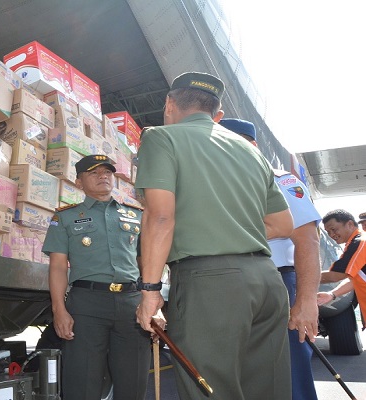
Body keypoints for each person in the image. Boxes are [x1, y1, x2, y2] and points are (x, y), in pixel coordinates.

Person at [134, 71, 294, 399]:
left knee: (210, 388)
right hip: (266, 280)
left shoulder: (161, 138)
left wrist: (150, 291)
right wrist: (228, 228)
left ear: (169, 104)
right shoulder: (252, 152)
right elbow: (282, 225)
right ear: (217, 115)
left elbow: (160, 216)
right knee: (267, 389)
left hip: (211, 284)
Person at [219, 118, 321, 400]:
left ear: (252, 144)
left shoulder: (281, 180)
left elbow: (307, 241)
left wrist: (306, 300)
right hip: (224, 283)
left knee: (289, 371)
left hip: (276, 282)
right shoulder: (212, 184)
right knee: (237, 374)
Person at [42, 154, 153, 400]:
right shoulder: (65, 217)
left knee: (133, 382)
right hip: (87, 304)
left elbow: (147, 263)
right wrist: (59, 310)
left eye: (107, 172)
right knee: (82, 382)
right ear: (79, 182)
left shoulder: (136, 215)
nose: (103, 176)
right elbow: (59, 267)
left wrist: (152, 302)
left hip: (131, 304)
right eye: (94, 172)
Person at [316, 210, 366, 314]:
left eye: (334, 229)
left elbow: (336, 275)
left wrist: (299, 279)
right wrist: (332, 294)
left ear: (350, 224)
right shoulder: (354, 244)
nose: (332, 235)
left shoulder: (360, 243)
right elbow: (354, 279)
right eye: (328, 232)